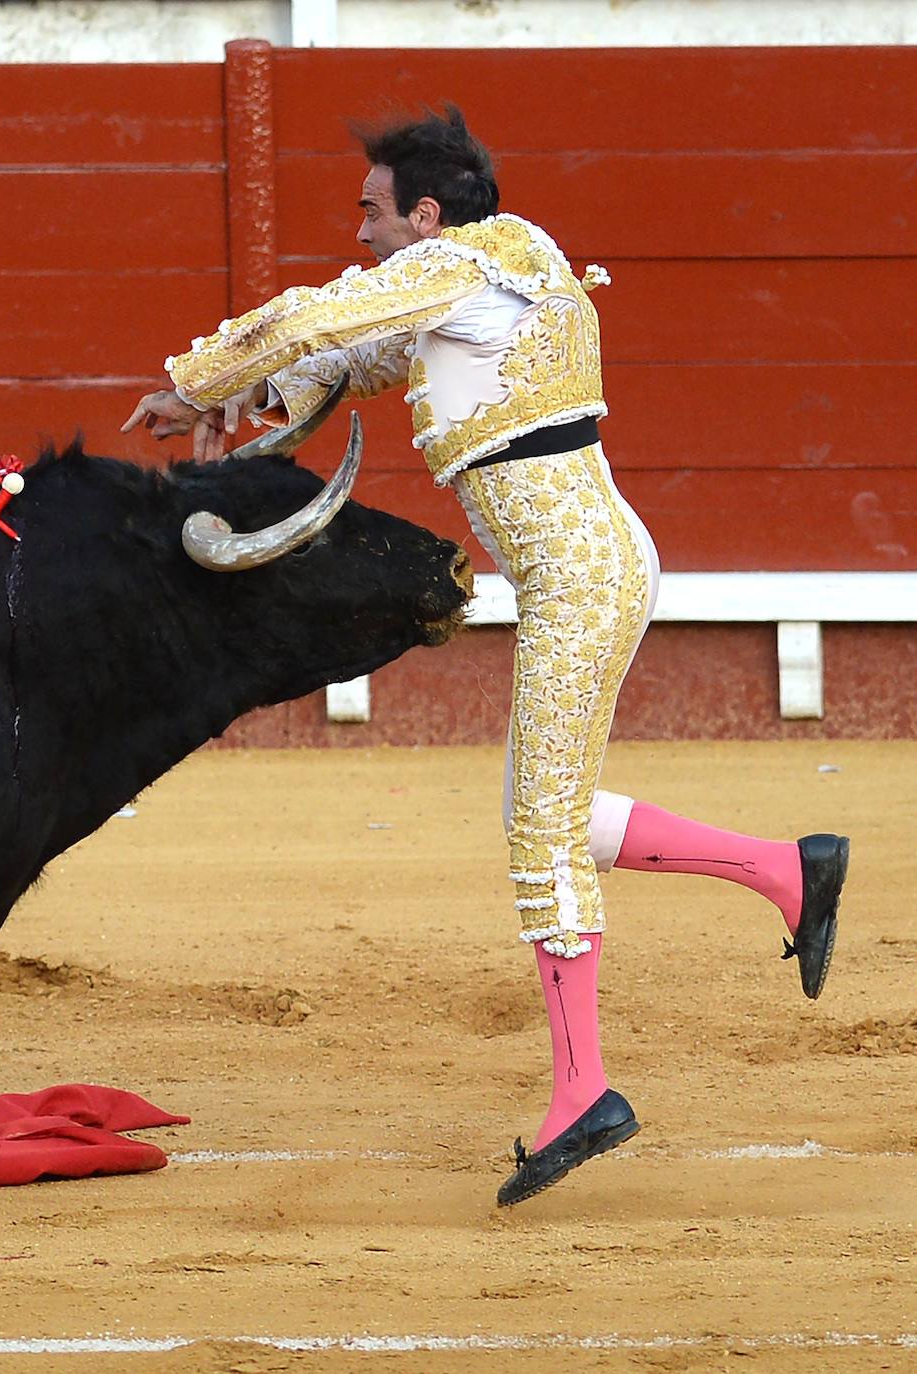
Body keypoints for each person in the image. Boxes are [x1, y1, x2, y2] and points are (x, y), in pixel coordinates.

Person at [122, 106, 848, 1207]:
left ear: (424, 210)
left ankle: (581, 1095)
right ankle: (789, 871)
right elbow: (353, 354)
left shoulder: (471, 260)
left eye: (371, 211)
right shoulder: (481, 275)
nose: (358, 231)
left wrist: (197, 381)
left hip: (583, 574)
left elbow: (320, 320)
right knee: (543, 806)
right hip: (585, 567)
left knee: (540, 828)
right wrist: (252, 403)